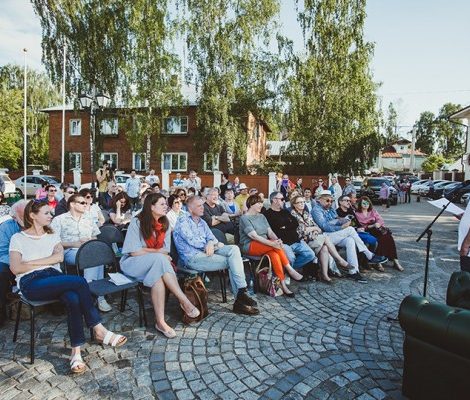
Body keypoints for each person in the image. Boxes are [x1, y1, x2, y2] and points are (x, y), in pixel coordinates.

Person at [9, 199, 126, 373]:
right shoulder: (18, 238)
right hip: (31, 282)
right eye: (46, 213)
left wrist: (32, 261)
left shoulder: (52, 235)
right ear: (33, 216)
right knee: (79, 282)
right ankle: (98, 329)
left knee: (73, 298)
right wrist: (45, 261)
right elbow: (16, 268)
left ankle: (76, 352)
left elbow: (59, 258)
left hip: (54, 277)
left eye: (51, 212)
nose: (51, 215)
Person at [120, 193, 199, 338]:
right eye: (162, 204)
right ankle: (184, 300)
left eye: (165, 204)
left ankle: (160, 322)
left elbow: (166, 250)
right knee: (160, 259)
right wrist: (156, 252)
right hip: (132, 263)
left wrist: (152, 252)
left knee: (158, 275)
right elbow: (134, 252)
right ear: (151, 206)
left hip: (154, 264)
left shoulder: (165, 224)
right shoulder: (137, 222)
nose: (166, 206)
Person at [173, 195, 259, 315]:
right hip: (193, 257)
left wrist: (210, 243)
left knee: (234, 249)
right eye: (199, 206)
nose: (202, 208)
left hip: (208, 251)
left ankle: (241, 292)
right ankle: (240, 298)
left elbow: (212, 239)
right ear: (190, 208)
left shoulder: (202, 222)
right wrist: (208, 244)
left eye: (202, 205)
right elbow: (193, 241)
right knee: (233, 261)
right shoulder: (183, 220)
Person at [51, 194, 112, 312]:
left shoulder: (88, 218)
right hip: (70, 251)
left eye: (86, 203)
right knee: (90, 257)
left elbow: (95, 236)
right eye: (82, 203)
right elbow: (54, 242)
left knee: (96, 255)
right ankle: (94, 295)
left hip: (88, 249)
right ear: (72, 204)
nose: (86, 205)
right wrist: (75, 243)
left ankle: (96, 295)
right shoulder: (60, 219)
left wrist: (90, 242)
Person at [311, 190, 388, 283]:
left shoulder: (330, 208)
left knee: (350, 240)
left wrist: (344, 220)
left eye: (331, 201)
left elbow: (336, 219)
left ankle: (354, 271)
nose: (330, 203)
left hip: (333, 235)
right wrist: (341, 227)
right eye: (327, 200)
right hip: (323, 236)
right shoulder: (316, 210)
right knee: (350, 230)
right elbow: (324, 226)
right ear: (319, 200)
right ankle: (369, 254)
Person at [239, 194, 302, 297]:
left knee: (275, 255)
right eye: (259, 203)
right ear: (251, 204)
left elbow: (270, 232)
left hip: (265, 244)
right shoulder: (244, 218)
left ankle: (283, 285)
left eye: (261, 203)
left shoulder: (262, 216)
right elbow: (254, 236)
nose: (261, 205)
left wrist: (277, 240)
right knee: (275, 247)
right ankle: (289, 269)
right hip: (249, 245)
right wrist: (273, 243)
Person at [290, 194, 353, 283]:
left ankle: (325, 275)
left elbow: (317, 227)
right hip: (303, 241)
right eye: (299, 202)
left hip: (313, 238)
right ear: (294, 204)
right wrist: (313, 229)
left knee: (325, 248)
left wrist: (314, 230)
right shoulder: (292, 215)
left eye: (303, 202)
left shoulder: (306, 214)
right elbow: (300, 231)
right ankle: (340, 260)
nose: (302, 204)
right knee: (325, 238)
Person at [264, 191, 317, 273]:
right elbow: (274, 228)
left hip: (296, 240)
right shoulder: (267, 214)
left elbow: (295, 223)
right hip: (283, 242)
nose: (284, 201)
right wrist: (287, 225)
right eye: (282, 199)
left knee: (310, 255)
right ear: (274, 200)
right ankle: (290, 271)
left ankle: (289, 270)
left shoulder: (285, 211)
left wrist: (285, 227)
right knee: (291, 258)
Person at [355, 196, 403, 271]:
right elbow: (361, 226)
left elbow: (380, 219)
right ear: (360, 204)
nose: (366, 205)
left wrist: (377, 223)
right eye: (363, 203)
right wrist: (371, 225)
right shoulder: (357, 213)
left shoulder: (373, 211)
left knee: (388, 237)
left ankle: (395, 260)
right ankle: (378, 262)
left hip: (377, 229)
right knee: (379, 239)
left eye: (367, 203)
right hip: (367, 230)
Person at [0, 200, 27, 326]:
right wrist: (16, 262)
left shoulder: (39, 223)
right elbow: (2, 252)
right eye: (22, 216)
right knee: (1, 272)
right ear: (14, 217)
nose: (27, 217)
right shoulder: (6, 227)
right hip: (11, 262)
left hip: (36, 261)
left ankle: (55, 305)